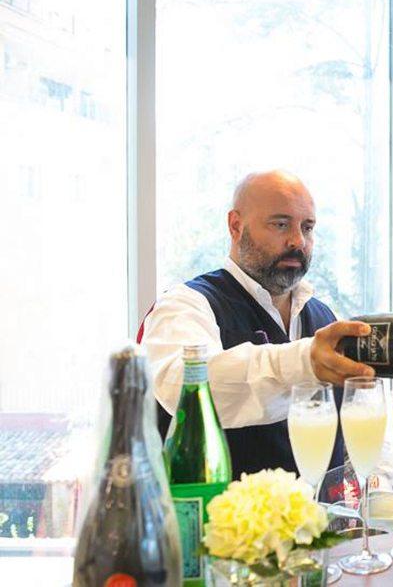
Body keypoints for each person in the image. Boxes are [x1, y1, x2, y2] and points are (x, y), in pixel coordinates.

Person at [140, 170, 375, 479]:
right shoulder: (186, 305)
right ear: (235, 226)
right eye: (280, 224)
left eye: (308, 227)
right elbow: (180, 388)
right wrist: (302, 361)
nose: (297, 241)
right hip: (217, 524)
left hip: (326, 524)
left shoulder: (324, 317)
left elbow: (358, 426)